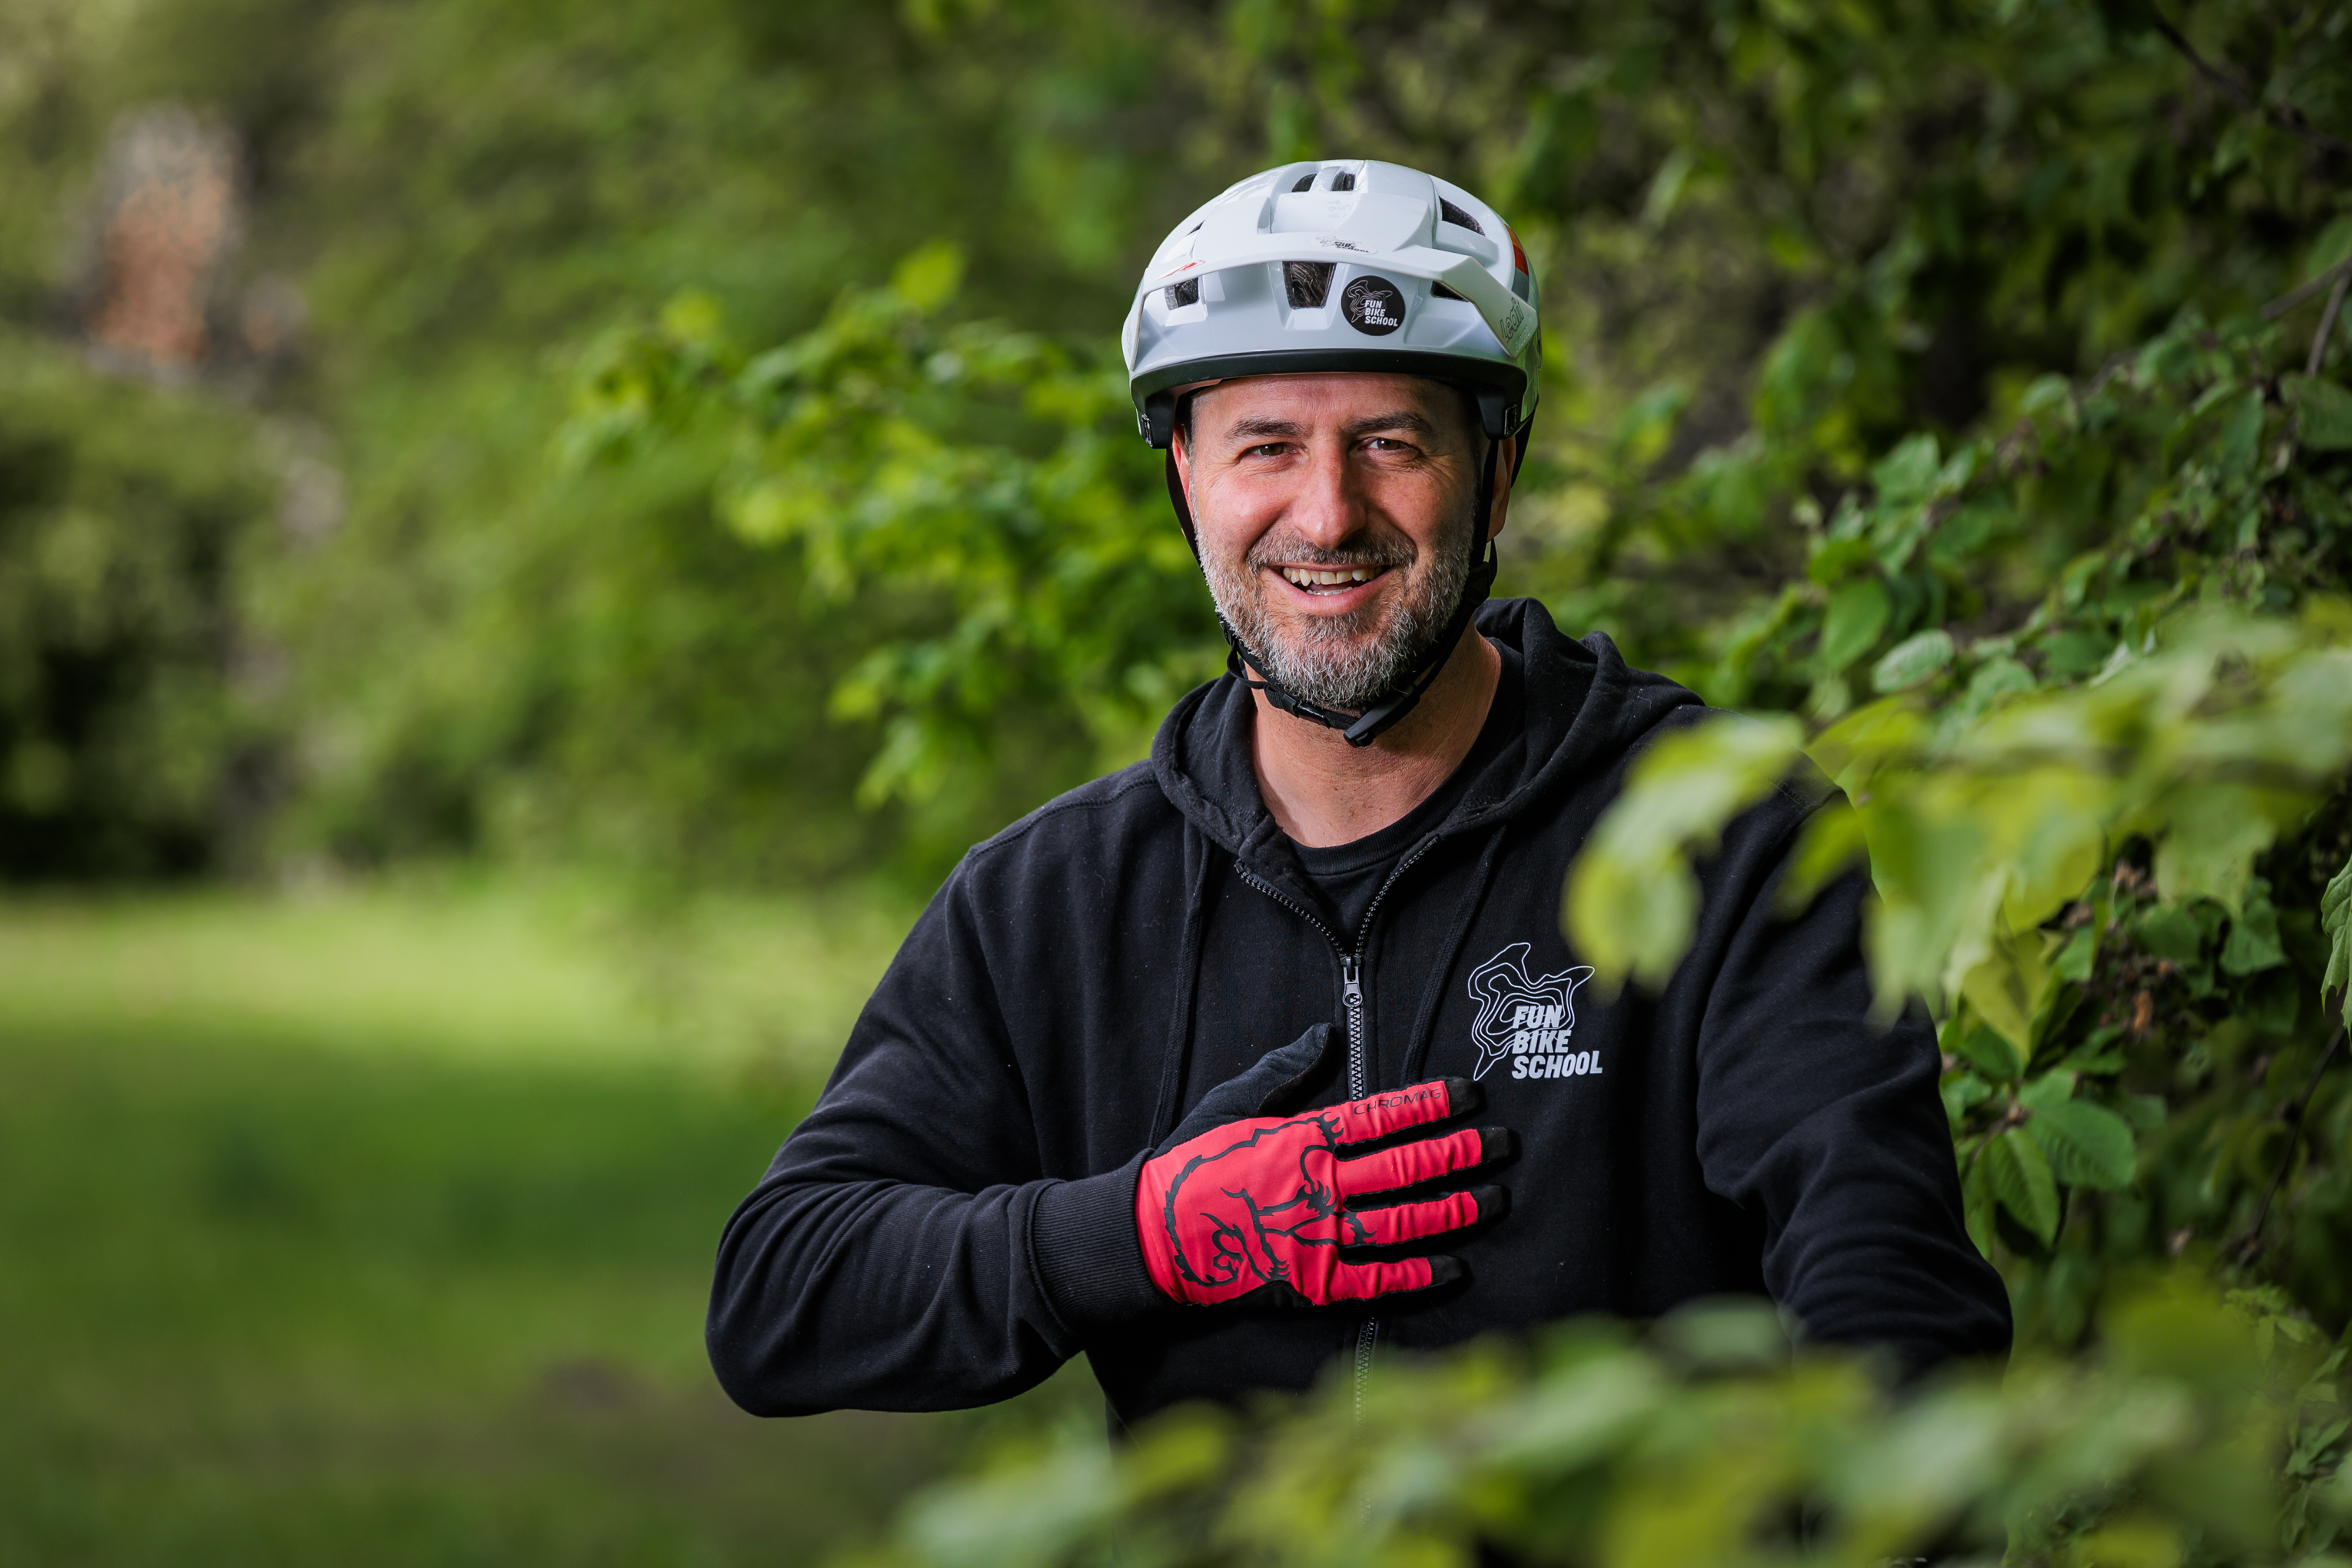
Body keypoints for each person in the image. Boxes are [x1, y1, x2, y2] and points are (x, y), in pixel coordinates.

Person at [706, 159, 2011, 1432]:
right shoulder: (1061, 899)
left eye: (1388, 443)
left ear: (1495, 475)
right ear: (1185, 481)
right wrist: (1143, 1233)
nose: (1326, 516)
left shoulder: (1724, 837)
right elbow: (784, 1292)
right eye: (1264, 446)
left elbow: (1892, 1304)